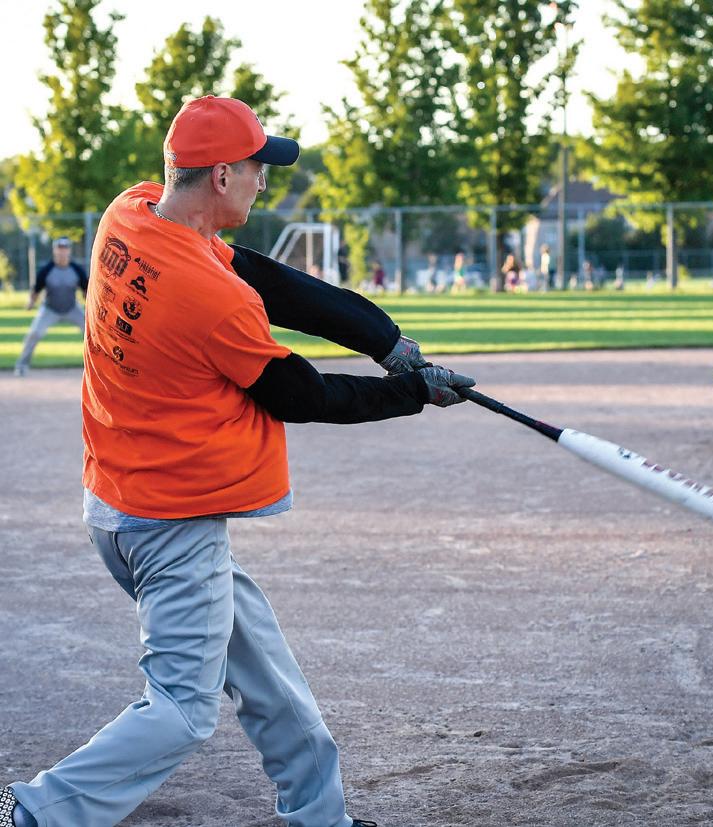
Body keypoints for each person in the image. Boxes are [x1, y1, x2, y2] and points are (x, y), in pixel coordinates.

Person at [1, 95, 474, 827]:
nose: (264, 180)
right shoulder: (211, 299)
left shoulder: (130, 215)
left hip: (122, 503)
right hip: (170, 527)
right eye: (256, 167)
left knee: (268, 678)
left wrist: (384, 340)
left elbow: (273, 280)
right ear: (222, 176)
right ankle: (30, 814)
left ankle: (321, 817)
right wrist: (411, 393)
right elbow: (301, 394)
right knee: (182, 710)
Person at [13, 236, 87, 376]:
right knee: (34, 333)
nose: (62, 252)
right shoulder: (47, 270)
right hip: (49, 309)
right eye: (59, 248)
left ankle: (97, 368)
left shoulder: (77, 269)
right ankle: (21, 366)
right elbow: (36, 290)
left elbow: (86, 290)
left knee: (91, 332)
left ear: (69, 251)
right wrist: (31, 303)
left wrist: (89, 305)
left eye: (65, 248)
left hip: (72, 308)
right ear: (54, 250)